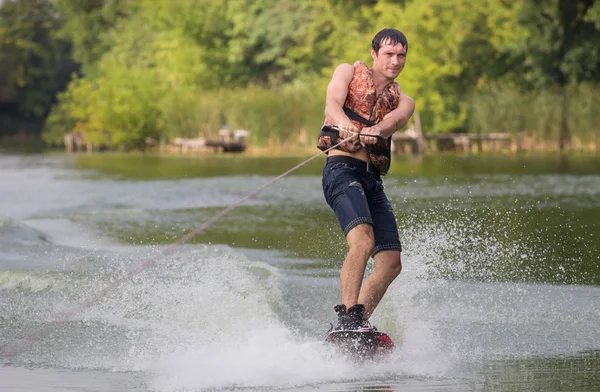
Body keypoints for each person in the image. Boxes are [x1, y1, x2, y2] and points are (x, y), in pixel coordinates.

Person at [318, 28, 415, 332]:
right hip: (341, 170)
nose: (395, 60)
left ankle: (358, 324)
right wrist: (344, 123)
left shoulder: (405, 100)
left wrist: (379, 130)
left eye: (401, 55)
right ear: (374, 54)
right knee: (363, 240)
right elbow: (332, 104)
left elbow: (394, 120)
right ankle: (347, 317)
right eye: (389, 53)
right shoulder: (347, 71)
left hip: (371, 180)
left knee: (391, 261)